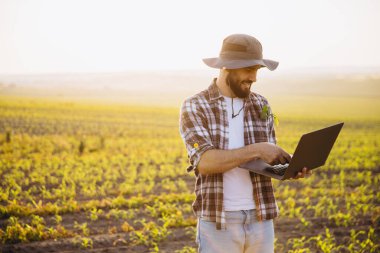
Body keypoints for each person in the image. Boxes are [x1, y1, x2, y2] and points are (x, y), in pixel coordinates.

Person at [179, 34, 312, 253]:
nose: (254, 78)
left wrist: (288, 169)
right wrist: (257, 149)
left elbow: (265, 162)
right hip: (218, 221)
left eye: (257, 70)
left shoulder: (261, 103)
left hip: (261, 217)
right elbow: (204, 162)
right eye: (248, 69)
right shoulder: (195, 105)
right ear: (226, 68)